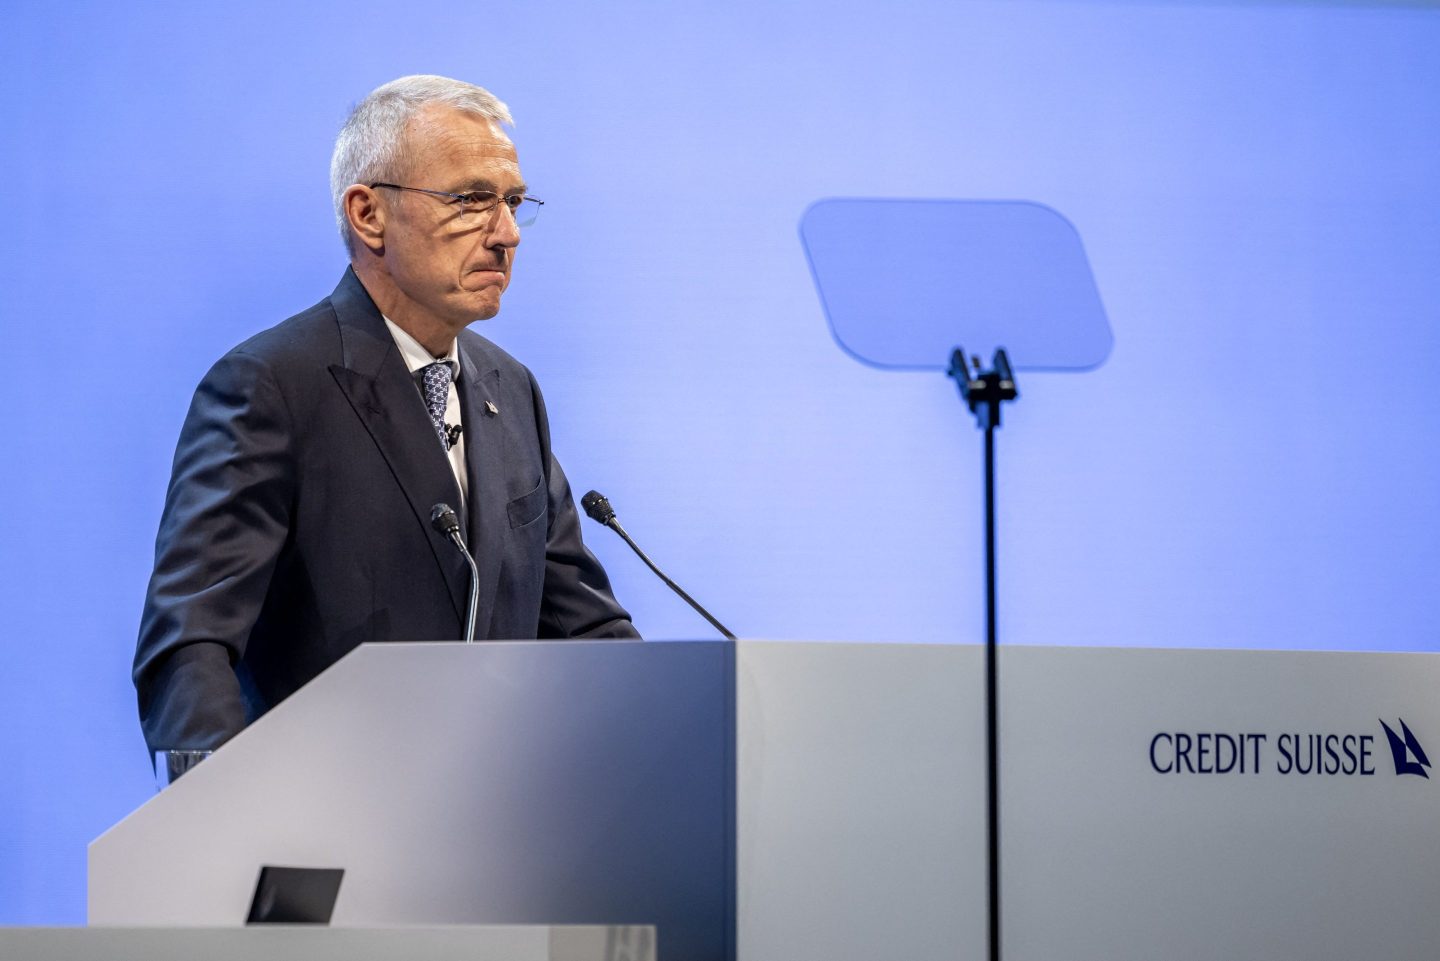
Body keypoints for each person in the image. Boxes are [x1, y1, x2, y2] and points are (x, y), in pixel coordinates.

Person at [133, 75, 639, 757]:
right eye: (472, 200)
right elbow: (192, 642)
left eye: (514, 202)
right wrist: (225, 826)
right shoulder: (271, 385)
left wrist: (661, 752)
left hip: (504, 839)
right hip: (326, 833)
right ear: (369, 214)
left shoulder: (510, 389)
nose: (508, 234)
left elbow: (588, 637)